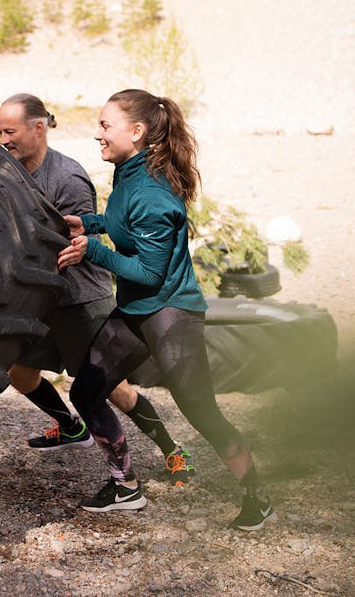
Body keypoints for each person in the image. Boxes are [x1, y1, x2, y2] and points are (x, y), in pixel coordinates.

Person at [56, 88, 272, 530]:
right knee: (85, 390)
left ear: (135, 132)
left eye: (104, 125)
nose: (97, 134)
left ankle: (257, 494)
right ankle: (125, 487)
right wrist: (90, 224)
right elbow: (124, 223)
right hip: (137, 310)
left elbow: (149, 273)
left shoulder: (153, 192)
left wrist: (90, 252)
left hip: (171, 312)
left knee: (200, 410)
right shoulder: (129, 171)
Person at [0, 93, 196, 485]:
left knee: (113, 392)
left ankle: (172, 450)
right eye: (0, 131)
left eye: (10, 131)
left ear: (39, 128)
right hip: (42, 302)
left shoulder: (65, 178)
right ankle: (70, 427)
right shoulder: (14, 173)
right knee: (18, 371)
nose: (3, 138)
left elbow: (72, 245)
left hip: (80, 302)